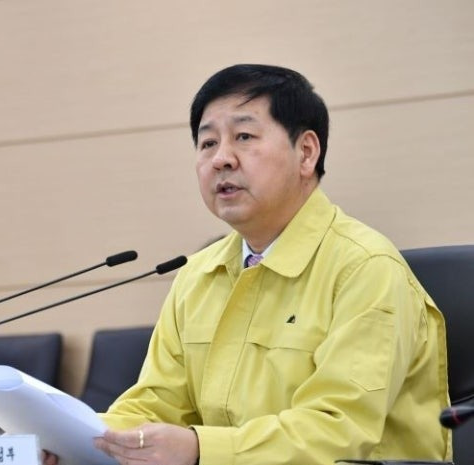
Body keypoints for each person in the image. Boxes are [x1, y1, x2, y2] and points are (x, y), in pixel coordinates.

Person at [45, 64, 451, 465]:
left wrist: (200, 450)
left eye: (243, 136)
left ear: (306, 152)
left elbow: (337, 432)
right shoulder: (198, 275)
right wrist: (76, 441)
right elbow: (156, 403)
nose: (221, 159)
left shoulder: (365, 268)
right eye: (207, 143)